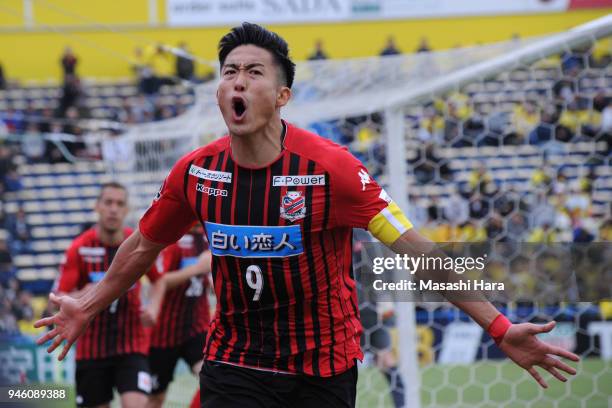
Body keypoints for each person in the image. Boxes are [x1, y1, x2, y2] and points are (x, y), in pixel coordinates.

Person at [37, 23, 579, 408]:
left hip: (321, 366)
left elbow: (421, 253)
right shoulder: (196, 174)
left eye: (253, 72)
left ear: (282, 95)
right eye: (229, 72)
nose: (238, 82)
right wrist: (88, 302)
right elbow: (142, 246)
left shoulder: (333, 171)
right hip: (236, 360)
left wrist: (500, 326)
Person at [50, 182, 166, 408]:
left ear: (126, 210)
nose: (113, 208)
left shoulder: (138, 244)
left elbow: (159, 280)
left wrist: (153, 307)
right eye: (108, 202)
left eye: (120, 204)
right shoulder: (79, 248)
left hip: (132, 348)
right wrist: (86, 292)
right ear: (97, 207)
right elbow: (57, 298)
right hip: (91, 351)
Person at [146, 225, 212, 408]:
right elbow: (160, 281)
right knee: (155, 398)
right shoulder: (172, 239)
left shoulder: (210, 237)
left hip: (197, 328)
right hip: (163, 335)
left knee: (212, 380)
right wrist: (197, 268)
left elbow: (207, 280)